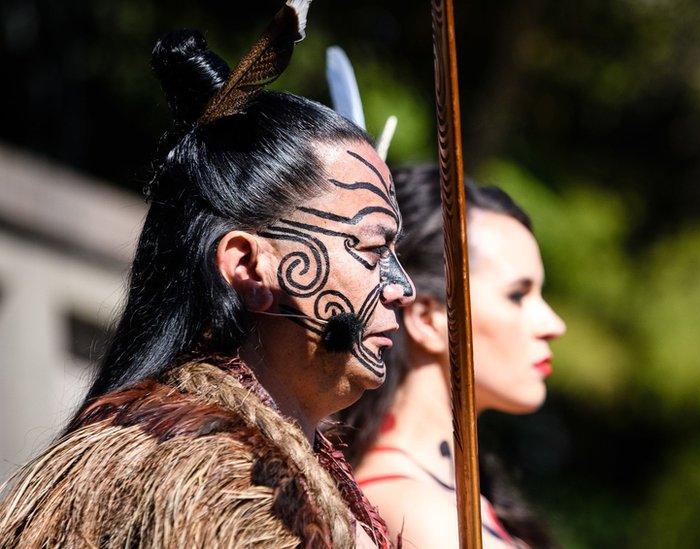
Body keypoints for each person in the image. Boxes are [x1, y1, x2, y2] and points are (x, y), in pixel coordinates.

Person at [0, 3, 413, 547]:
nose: (402, 287)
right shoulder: (223, 491)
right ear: (246, 264)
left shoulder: (282, 468)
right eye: (371, 249)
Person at [337, 165, 567, 548]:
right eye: (517, 295)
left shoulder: (459, 497)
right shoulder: (414, 512)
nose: (553, 324)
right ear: (427, 318)